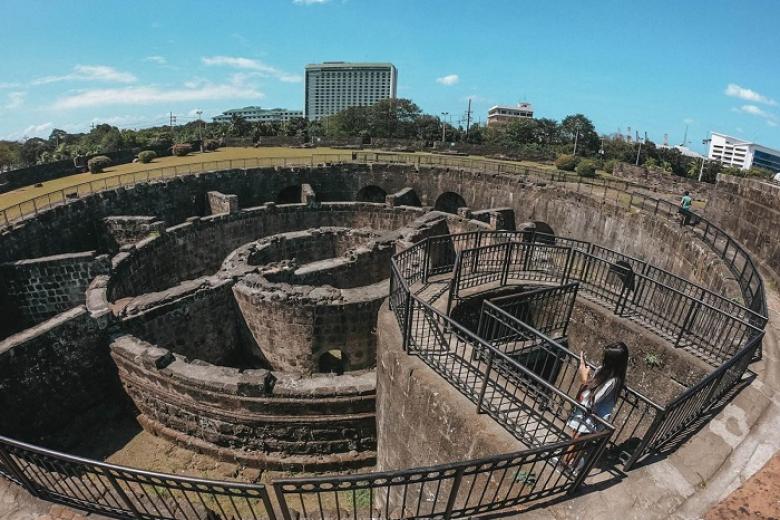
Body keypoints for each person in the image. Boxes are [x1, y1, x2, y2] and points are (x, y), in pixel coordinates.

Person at [563, 342, 629, 468]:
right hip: (587, 411)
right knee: (576, 437)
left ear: (612, 361)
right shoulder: (601, 370)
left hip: (594, 416)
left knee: (578, 440)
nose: (603, 358)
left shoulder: (613, 381)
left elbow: (594, 399)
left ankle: (566, 463)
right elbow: (592, 390)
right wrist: (586, 376)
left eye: (606, 357)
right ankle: (570, 462)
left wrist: (584, 378)